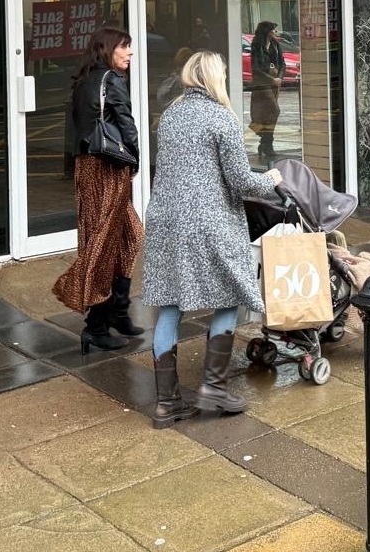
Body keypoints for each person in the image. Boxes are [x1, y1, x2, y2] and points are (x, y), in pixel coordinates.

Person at [141, 50, 283, 426]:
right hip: (207, 222)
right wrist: (273, 178)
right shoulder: (221, 118)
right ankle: (213, 388)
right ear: (215, 78)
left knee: (170, 306)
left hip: (166, 220)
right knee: (232, 293)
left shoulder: (171, 115)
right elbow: (240, 182)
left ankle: (166, 404)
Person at [54, 24, 145, 353]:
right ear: (108, 49)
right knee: (104, 243)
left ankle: (117, 313)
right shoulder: (112, 79)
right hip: (108, 166)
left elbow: (74, 129)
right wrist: (135, 159)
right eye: (124, 46)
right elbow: (126, 124)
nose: (130, 52)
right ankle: (96, 326)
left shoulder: (83, 80)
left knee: (128, 235)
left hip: (87, 165)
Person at [248, 20, 286, 163]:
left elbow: (282, 63)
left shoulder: (275, 45)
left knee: (268, 113)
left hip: (275, 83)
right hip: (262, 83)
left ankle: (264, 143)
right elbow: (256, 68)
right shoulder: (257, 45)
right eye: (273, 30)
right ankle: (267, 143)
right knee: (275, 110)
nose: (275, 32)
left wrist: (279, 77)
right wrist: (271, 79)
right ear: (267, 31)